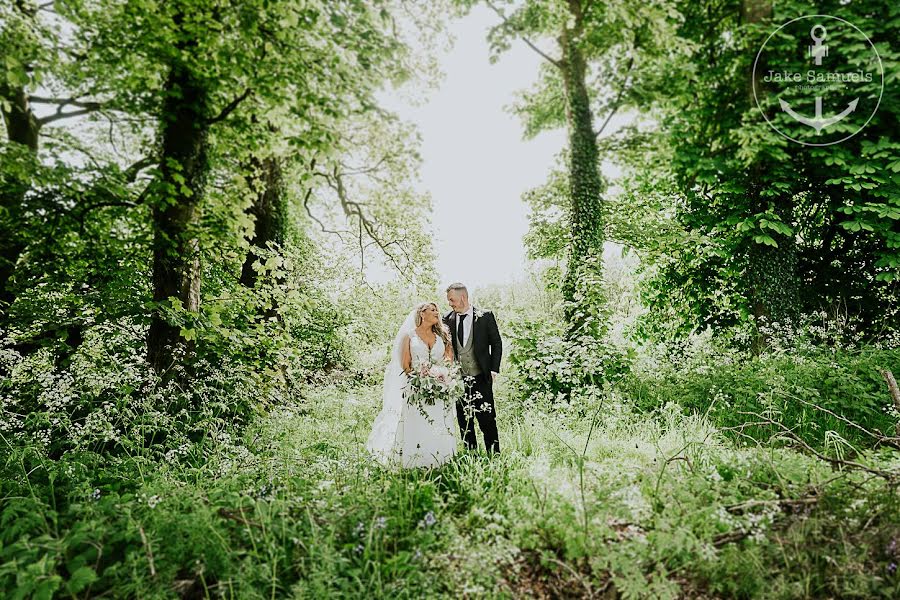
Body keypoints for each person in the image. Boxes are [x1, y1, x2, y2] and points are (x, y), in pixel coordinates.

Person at [365, 302, 459, 468]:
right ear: (422, 314)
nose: (437, 312)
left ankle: (441, 460)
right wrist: (421, 378)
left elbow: (448, 361)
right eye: (432, 310)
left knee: (438, 421)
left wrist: (440, 376)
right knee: (417, 423)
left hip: (440, 387)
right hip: (416, 387)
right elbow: (406, 365)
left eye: (437, 309)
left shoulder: (443, 336)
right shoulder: (410, 336)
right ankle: (416, 461)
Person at [444, 282, 502, 453]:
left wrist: (494, 369)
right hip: (459, 379)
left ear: (463, 298)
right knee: (464, 420)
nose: (450, 303)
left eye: (452, 300)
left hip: (482, 376)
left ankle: (494, 454)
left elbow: (497, 343)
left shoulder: (485, 316)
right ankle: (471, 455)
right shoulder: (447, 319)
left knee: (487, 418)